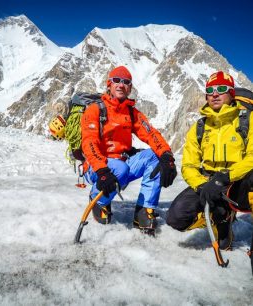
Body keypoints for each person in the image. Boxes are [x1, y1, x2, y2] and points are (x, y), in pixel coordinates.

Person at [81, 66, 177, 233]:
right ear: (109, 85)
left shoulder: (132, 113)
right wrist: (103, 170)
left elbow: (151, 134)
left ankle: (143, 211)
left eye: (126, 82)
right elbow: (89, 143)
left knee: (155, 157)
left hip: (121, 165)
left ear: (130, 88)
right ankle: (99, 200)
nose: (121, 85)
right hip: (97, 167)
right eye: (116, 81)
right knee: (120, 168)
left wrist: (167, 156)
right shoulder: (95, 109)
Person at [166, 71, 253, 250]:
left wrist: (225, 177)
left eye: (221, 89)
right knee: (176, 218)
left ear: (231, 93)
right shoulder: (199, 127)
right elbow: (189, 165)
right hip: (208, 181)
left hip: (239, 181)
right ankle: (220, 217)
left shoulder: (247, 120)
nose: (214, 94)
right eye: (210, 90)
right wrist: (202, 186)